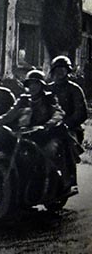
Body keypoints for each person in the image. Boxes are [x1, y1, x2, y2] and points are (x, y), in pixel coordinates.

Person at [49, 55, 88, 187]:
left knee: (65, 145)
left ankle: (68, 180)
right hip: (49, 127)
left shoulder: (74, 89)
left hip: (70, 129)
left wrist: (66, 124)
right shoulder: (48, 88)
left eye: (63, 69)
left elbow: (81, 113)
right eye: (57, 69)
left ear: (67, 71)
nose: (60, 72)